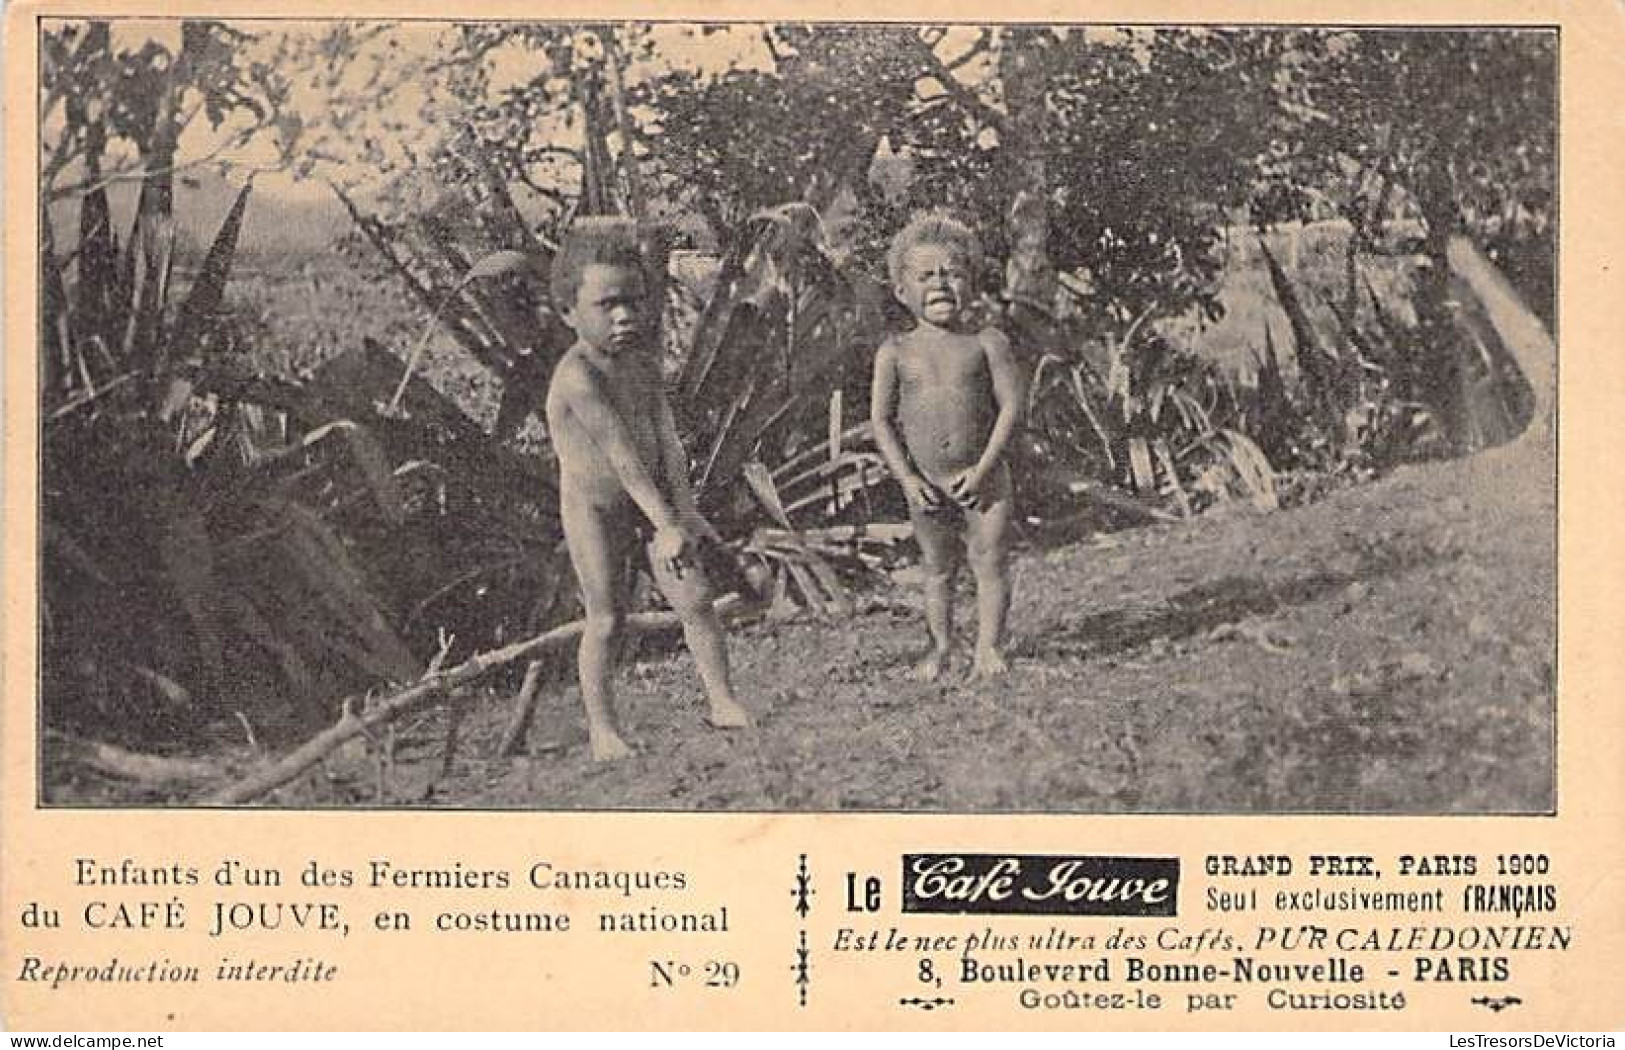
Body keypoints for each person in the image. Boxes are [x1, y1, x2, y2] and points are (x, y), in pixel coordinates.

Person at [544, 219, 753, 760]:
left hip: (654, 500)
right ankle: (603, 730)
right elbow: (621, 455)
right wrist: (665, 524)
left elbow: (663, 437)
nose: (624, 316)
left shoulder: (640, 362)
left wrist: (683, 513)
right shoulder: (576, 377)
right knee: (607, 620)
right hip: (596, 507)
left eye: (634, 302)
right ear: (568, 311)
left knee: (696, 600)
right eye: (607, 304)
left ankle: (722, 700)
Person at [870, 211, 1025, 681]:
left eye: (953, 272)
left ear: (972, 284)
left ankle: (988, 649)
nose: (940, 283)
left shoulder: (987, 342)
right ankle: (940, 648)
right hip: (927, 484)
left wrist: (982, 471)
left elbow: (1012, 409)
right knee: (936, 569)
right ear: (901, 291)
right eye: (926, 275)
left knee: (989, 560)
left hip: (985, 477)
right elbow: (879, 421)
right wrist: (908, 478)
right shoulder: (894, 351)